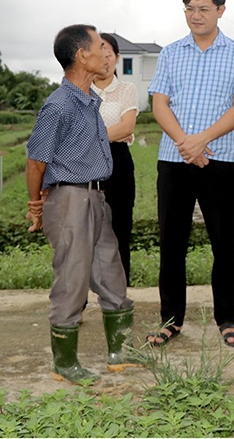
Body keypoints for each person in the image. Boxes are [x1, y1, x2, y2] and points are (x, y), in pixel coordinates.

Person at [147, 0, 234, 347]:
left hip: (219, 159)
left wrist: (202, 141)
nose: (196, 15)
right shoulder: (170, 53)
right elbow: (159, 104)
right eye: (190, 9)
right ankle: (171, 318)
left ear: (221, 11)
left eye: (204, 8)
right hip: (174, 159)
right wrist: (184, 142)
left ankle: (226, 317)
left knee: (224, 241)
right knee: (172, 241)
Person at [26, 24, 139, 384]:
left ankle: (119, 351)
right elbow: (36, 161)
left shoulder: (90, 100)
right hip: (70, 197)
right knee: (72, 278)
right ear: (81, 56)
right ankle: (65, 363)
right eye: (98, 47)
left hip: (96, 195)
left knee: (110, 268)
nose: (106, 54)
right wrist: (36, 204)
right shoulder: (58, 106)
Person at [92, 33, 139, 284]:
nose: (104, 59)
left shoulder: (126, 89)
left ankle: (118, 295)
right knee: (85, 231)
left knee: (120, 229)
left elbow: (126, 128)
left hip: (118, 162)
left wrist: (88, 136)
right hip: (84, 165)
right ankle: (80, 298)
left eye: (108, 53)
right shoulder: (79, 89)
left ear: (117, 58)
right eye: (98, 53)